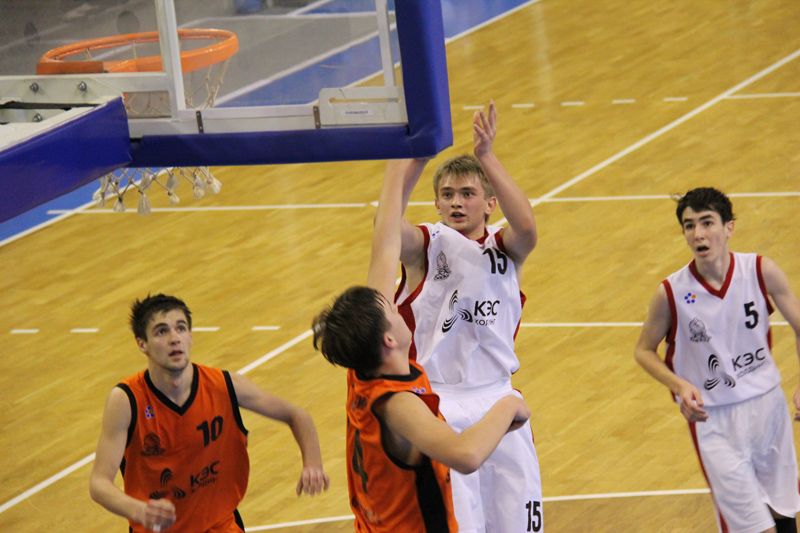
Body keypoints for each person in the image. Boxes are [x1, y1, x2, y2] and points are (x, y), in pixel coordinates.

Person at [312, 158, 531, 532]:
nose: (397, 303)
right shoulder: (401, 404)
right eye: (392, 308)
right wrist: (510, 403)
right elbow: (465, 455)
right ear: (389, 337)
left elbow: (383, 245)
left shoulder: (367, 371)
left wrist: (403, 160)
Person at [395, 101, 542, 532]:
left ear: (490, 203)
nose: (456, 203)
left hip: (498, 396)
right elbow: (386, 226)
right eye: (447, 195)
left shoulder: (506, 247)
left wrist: (487, 156)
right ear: (436, 203)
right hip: (442, 401)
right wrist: (413, 160)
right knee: (463, 523)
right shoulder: (425, 245)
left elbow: (528, 227)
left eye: (467, 194)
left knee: (518, 521)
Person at [634, 187, 800, 533]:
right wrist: (679, 385)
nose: (698, 234)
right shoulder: (671, 292)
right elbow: (644, 350)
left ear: (729, 227)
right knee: (754, 528)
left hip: (769, 407)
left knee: (783, 516)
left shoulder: (760, 271)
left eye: (707, 222)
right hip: (715, 419)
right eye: (689, 225)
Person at [89, 294, 329, 532]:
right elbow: (99, 483)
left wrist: (313, 464)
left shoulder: (224, 385)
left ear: (190, 336)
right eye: (162, 331)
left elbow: (297, 415)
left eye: (181, 328)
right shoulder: (126, 401)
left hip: (220, 527)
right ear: (142, 343)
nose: (175, 338)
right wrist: (138, 510)